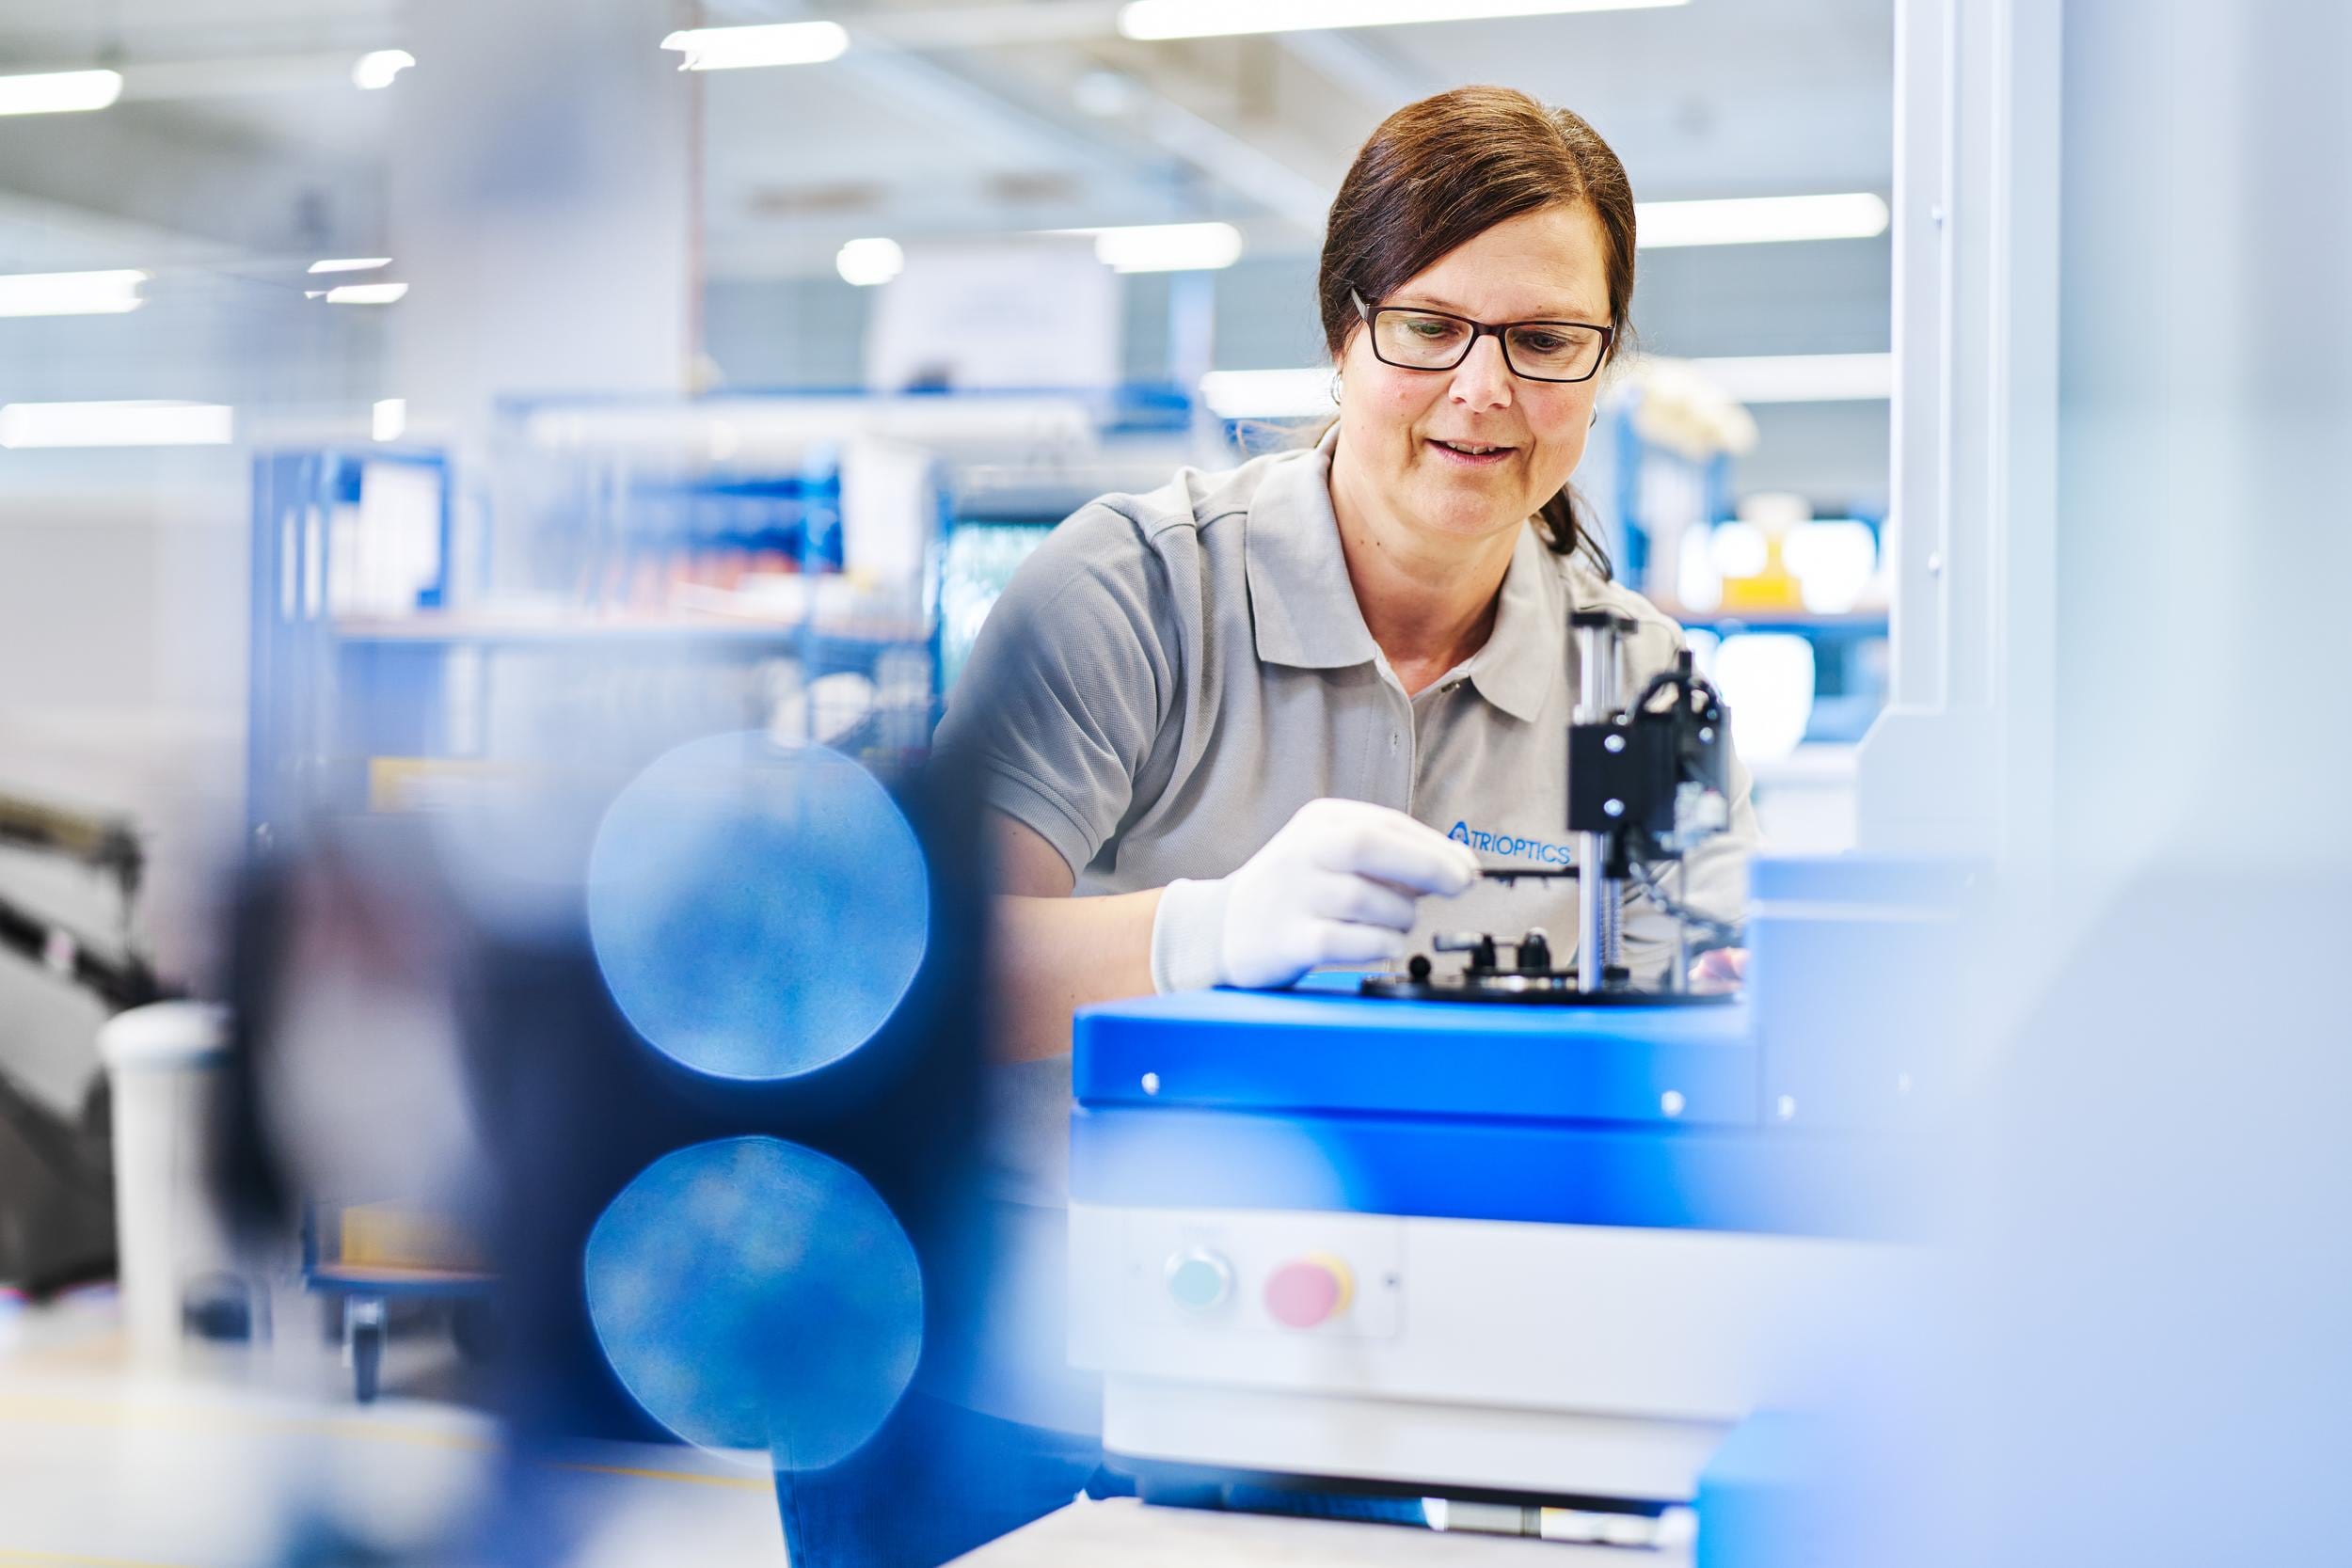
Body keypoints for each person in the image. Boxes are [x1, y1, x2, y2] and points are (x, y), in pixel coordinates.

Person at [938, 85, 1758, 1185]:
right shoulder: (1129, 592)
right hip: (1098, 1297)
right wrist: (1208, 933)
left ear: (1600, 368)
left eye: (1546, 339)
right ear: (1342, 335)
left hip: (1481, 1280)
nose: (1483, 389)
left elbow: (1692, 1041)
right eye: (1427, 328)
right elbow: (924, 971)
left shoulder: (1638, 684)